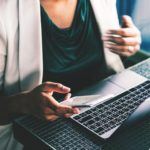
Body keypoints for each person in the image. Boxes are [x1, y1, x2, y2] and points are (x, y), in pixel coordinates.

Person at [0, 0, 141, 149]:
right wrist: (23, 103)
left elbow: (105, 62)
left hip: (106, 118)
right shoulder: (4, 12)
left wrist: (126, 45)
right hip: (39, 135)